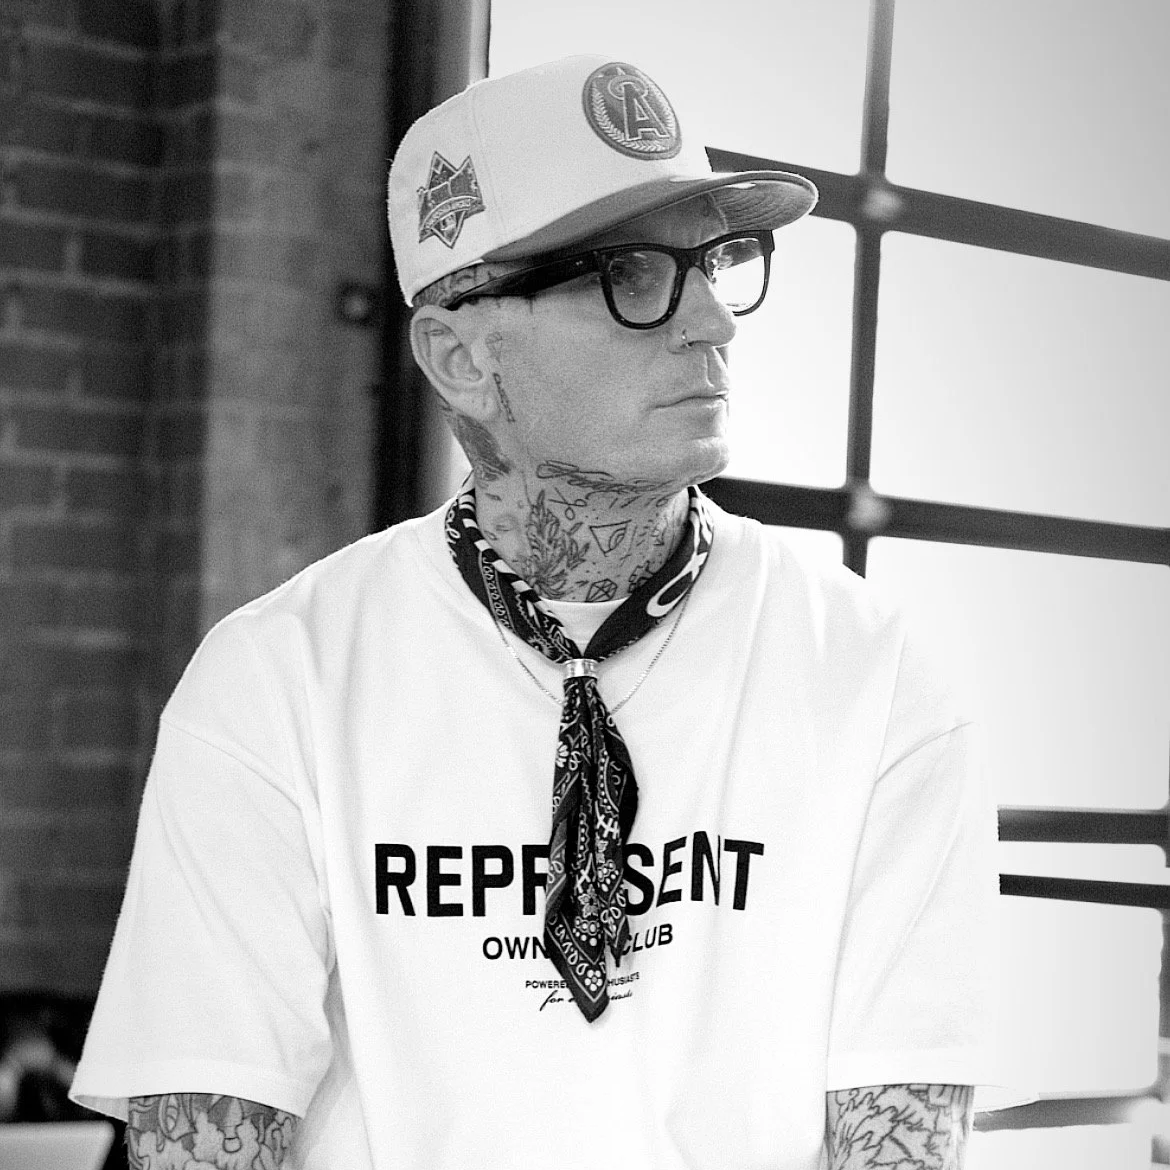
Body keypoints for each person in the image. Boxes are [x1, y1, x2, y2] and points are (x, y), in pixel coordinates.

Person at [71, 54, 999, 1169]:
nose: (712, 321)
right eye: (632, 273)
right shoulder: (277, 685)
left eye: (715, 261)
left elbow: (900, 1139)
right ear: (461, 354)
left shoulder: (873, 678)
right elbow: (206, 1136)